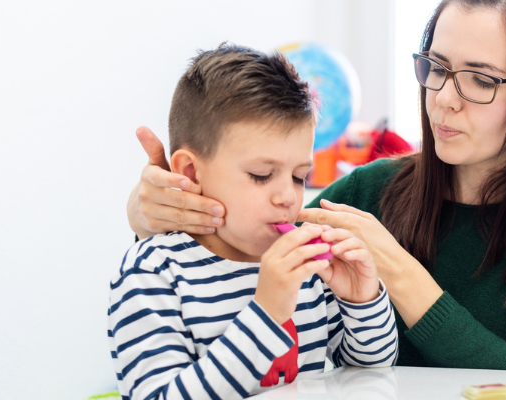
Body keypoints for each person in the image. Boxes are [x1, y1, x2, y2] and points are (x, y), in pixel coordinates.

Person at [126, 0, 506, 374]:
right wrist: (152, 216)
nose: (443, 101)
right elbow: (235, 251)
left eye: (480, 79)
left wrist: (398, 273)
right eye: (435, 67)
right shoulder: (368, 193)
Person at [109, 43, 397, 400]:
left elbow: (371, 374)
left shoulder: (305, 266)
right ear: (190, 172)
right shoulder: (153, 271)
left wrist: (362, 300)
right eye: (262, 175)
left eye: (298, 176)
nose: (288, 197)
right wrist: (266, 312)